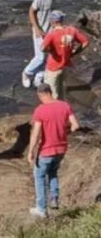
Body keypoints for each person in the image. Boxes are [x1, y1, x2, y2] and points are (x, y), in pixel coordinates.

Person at [27, 83, 80, 218]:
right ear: (50, 92)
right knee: (53, 172)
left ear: (41, 95)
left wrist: (30, 151)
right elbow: (75, 125)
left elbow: (36, 132)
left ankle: (41, 209)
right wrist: (66, 132)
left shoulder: (40, 110)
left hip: (46, 150)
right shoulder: (64, 105)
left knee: (39, 176)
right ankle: (54, 198)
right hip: (61, 148)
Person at [22, 0, 67, 88]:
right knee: (40, 57)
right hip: (40, 31)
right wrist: (37, 29)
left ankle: (38, 78)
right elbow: (31, 12)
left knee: (49, 57)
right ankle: (27, 73)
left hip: (50, 31)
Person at [40, 11, 89, 101]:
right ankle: (62, 107)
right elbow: (85, 42)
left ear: (52, 22)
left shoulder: (51, 34)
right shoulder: (71, 30)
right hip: (65, 65)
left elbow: (42, 48)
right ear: (62, 20)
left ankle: (55, 111)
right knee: (62, 89)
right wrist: (74, 53)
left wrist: (51, 50)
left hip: (53, 67)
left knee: (52, 92)